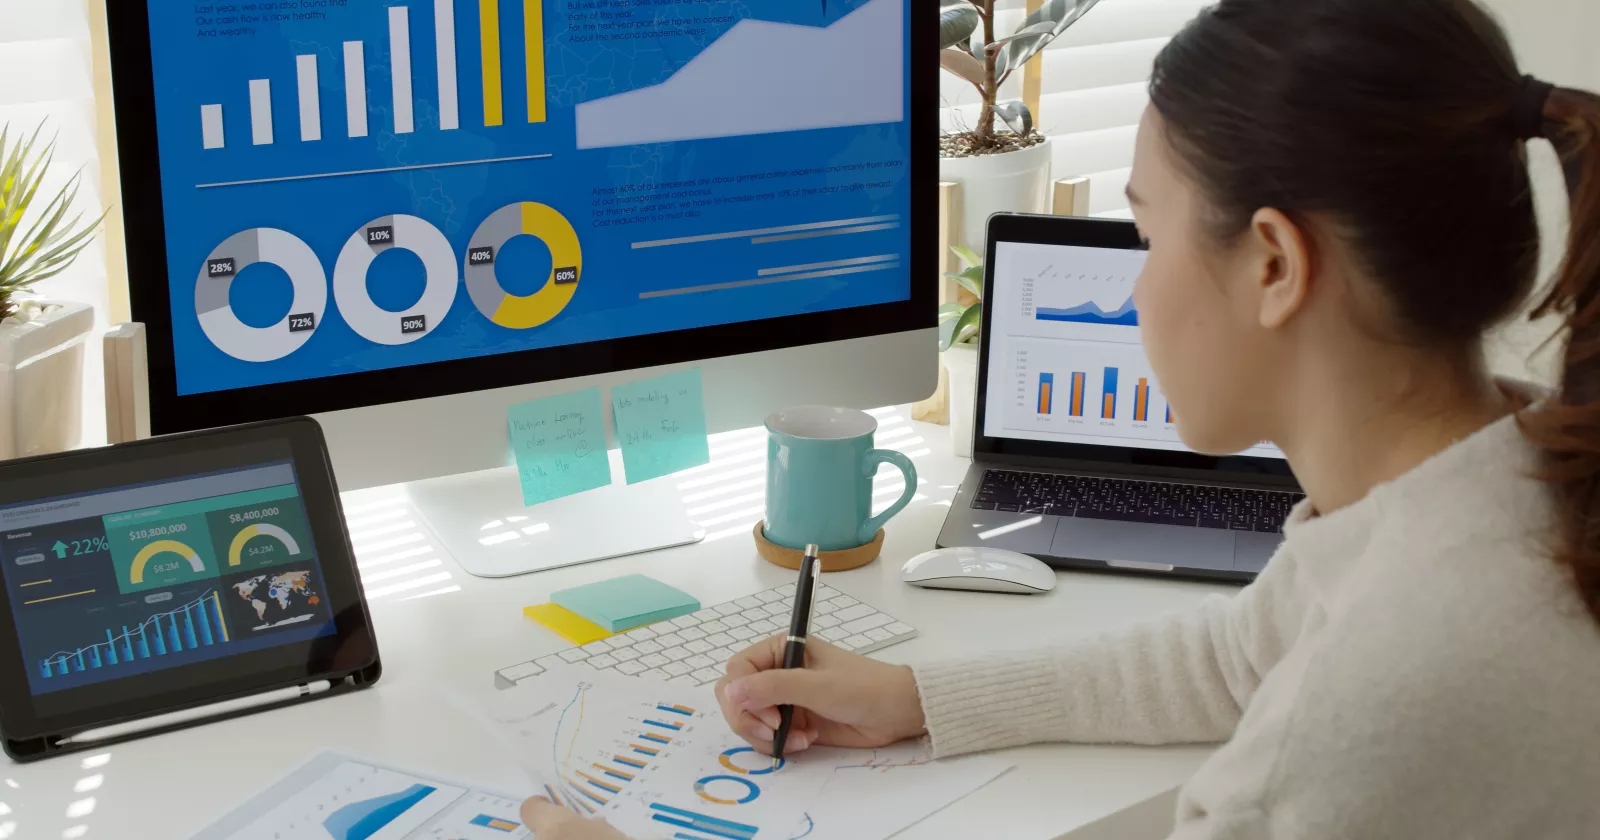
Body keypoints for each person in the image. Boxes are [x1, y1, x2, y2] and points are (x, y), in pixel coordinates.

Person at [520, 0, 1600, 835]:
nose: (1132, 292)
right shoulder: (1511, 474)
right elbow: (1235, 658)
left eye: (1145, 229)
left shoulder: (1368, 698)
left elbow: (1294, 697)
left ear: (1273, 264)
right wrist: (915, 696)